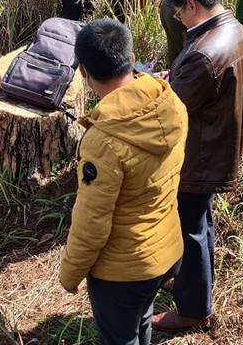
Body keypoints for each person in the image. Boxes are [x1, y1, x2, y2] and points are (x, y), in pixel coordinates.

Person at [59, 18, 187, 345]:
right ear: (132, 60)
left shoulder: (102, 142)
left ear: (83, 73)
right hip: (167, 249)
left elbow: (92, 222)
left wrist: (70, 273)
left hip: (123, 270)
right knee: (140, 318)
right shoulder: (169, 101)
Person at [152, 0, 243, 332]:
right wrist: (175, 77)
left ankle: (194, 311)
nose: (179, 18)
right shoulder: (238, 31)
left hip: (198, 154)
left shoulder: (204, 52)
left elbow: (172, 110)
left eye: (179, 12)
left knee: (191, 227)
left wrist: (156, 88)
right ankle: (191, 280)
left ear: (192, 4)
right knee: (201, 222)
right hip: (218, 144)